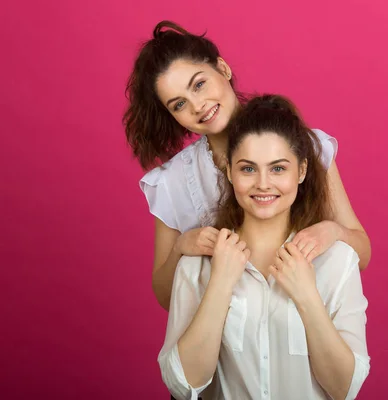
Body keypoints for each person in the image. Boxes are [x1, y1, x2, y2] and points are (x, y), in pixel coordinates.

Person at [123, 21, 372, 311]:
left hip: (308, 325)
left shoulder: (305, 146)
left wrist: (333, 231)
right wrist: (180, 249)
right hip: (226, 342)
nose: (197, 105)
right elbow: (167, 299)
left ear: (223, 68)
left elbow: (362, 254)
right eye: (179, 104)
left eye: (199, 84)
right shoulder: (173, 182)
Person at [158, 94, 370, 400]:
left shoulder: (337, 260)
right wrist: (220, 283)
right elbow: (183, 385)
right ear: (229, 172)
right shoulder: (198, 262)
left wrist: (307, 296)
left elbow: (345, 389)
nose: (263, 184)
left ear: (301, 171)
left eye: (278, 169)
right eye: (248, 169)